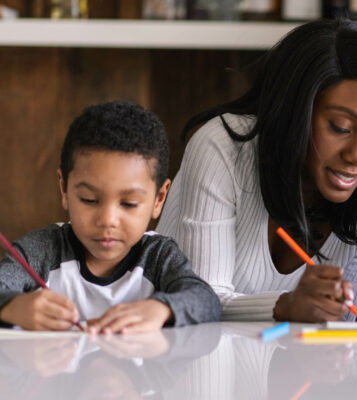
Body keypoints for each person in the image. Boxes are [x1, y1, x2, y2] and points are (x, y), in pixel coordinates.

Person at [156, 18, 357, 322]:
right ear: (296, 109)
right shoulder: (221, 149)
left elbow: (341, 326)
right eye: (340, 127)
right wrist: (285, 306)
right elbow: (199, 301)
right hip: (171, 361)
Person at [0, 101, 221, 333]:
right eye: (89, 199)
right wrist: (12, 307)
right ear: (64, 190)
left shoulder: (158, 256)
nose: (107, 220)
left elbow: (207, 301)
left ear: (158, 199)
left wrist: (162, 308)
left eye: (129, 203)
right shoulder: (42, 249)